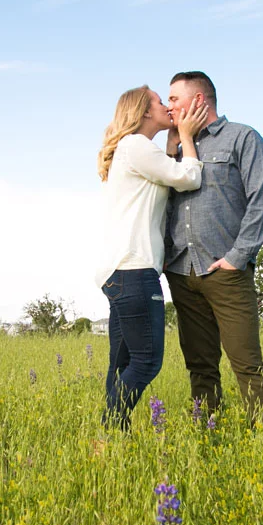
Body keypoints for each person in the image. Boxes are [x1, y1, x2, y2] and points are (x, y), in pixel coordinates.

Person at [162, 71, 263, 423]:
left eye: (174, 99)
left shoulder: (242, 138)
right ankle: (207, 435)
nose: (169, 108)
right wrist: (172, 149)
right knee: (199, 363)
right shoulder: (177, 149)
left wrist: (237, 257)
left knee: (246, 362)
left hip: (225, 270)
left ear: (199, 100)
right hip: (182, 271)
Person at [96, 85, 208, 430]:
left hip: (119, 271)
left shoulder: (134, 151)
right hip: (135, 271)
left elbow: (161, 179)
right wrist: (187, 137)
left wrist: (172, 145)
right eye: (161, 102)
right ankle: (110, 427)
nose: (167, 107)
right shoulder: (136, 146)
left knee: (123, 362)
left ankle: (114, 438)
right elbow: (188, 177)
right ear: (145, 112)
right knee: (145, 362)